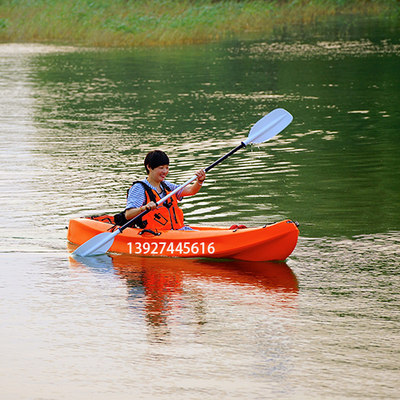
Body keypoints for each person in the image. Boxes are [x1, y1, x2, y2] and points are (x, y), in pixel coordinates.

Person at [122, 150, 206, 230]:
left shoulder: (166, 185)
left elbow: (190, 191)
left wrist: (200, 181)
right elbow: (128, 214)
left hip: (177, 231)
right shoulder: (139, 188)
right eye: (161, 168)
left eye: (167, 168)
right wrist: (144, 208)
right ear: (149, 167)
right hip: (154, 236)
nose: (165, 171)